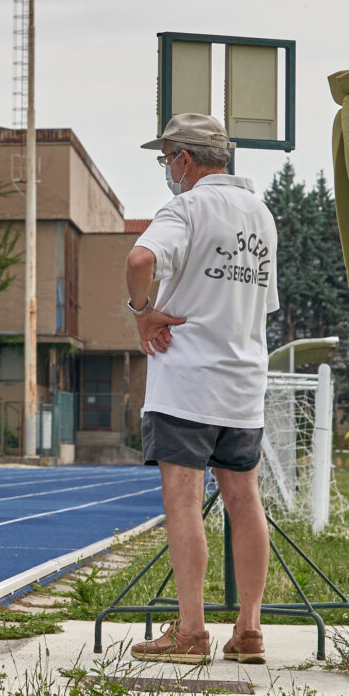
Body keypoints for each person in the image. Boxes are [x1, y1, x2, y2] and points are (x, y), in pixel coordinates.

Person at [124, 113, 279, 665]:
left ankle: (191, 630)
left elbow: (140, 258)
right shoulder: (261, 215)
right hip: (243, 381)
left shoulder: (186, 208)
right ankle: (249, 629)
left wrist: (143, 312)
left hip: (187, 379)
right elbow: (263, 304)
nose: (167, 169)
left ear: (184, 159)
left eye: (167, 158)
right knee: (244, 499)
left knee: (184, 498)